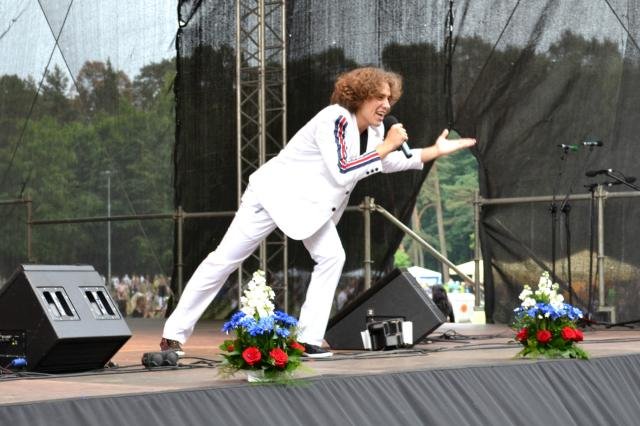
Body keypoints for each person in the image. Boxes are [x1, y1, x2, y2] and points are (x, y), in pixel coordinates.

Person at [160, 67, 476, 357]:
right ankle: (173, 334)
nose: (386, 104)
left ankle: (306, 339)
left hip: (308, 208)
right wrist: (387, 146)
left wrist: (435, 151)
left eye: (389, 98)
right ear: (360, 95)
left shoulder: (376, 131)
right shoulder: (334, 118)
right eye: (379, 97)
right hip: (273, 196)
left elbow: (385, 161)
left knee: (332, 257)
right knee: (224, 261)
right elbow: (343, 170)